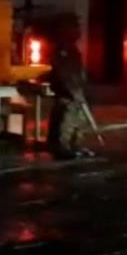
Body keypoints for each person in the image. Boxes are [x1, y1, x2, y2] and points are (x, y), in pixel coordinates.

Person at [45, 15, 94, 159]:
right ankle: (63, 146)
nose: (78, 31)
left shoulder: (72, 50)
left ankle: (74, 144)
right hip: (67, 91)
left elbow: (77, 71)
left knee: (78, 118)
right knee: (68, 118)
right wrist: (73, 89)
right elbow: (64, 73)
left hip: (74, 90)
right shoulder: (62, 51)